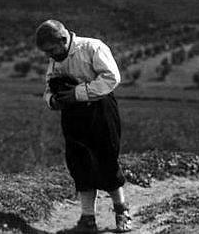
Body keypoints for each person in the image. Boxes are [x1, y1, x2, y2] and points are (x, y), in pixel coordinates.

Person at [35, 20, 132, 233]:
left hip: (100, 109)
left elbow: (111, 77)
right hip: (73, 114)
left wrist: (78, 93)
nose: (49, 56)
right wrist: (53, 100)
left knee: (106, 158)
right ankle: (88, 219)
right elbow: (48, 86)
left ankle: (121, 211)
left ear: (63, 39)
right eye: (46, 53)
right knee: (79, 162)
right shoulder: (56, 58)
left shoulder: (92, 47)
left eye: (51, 50)